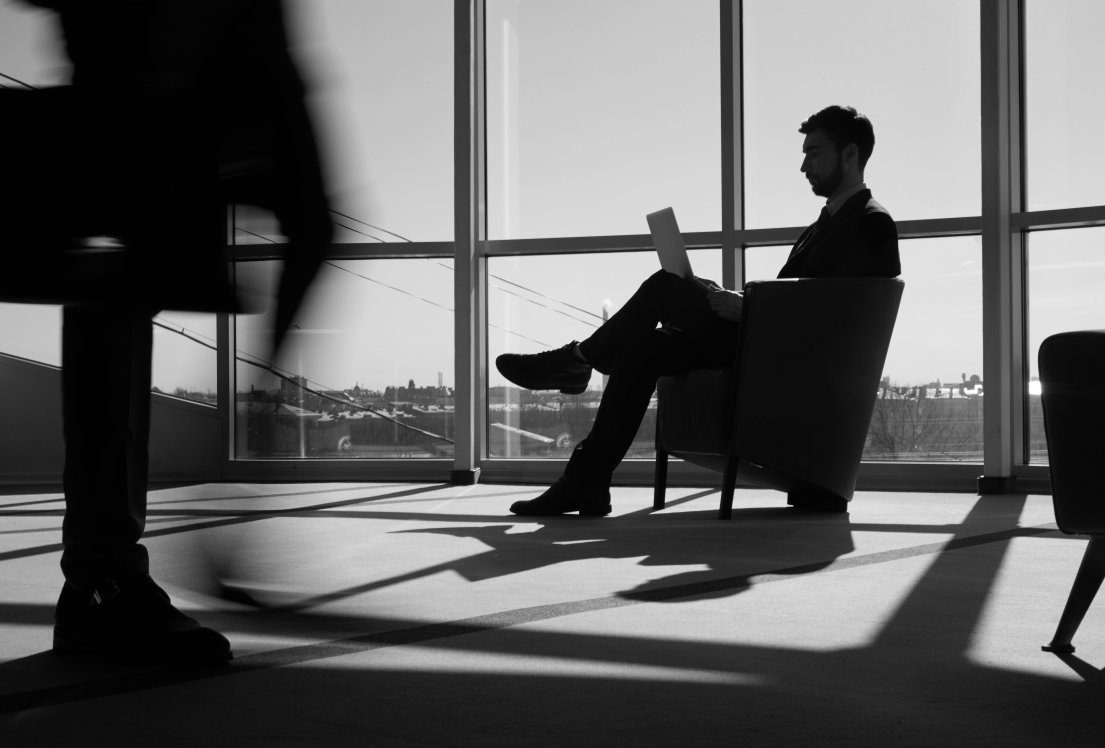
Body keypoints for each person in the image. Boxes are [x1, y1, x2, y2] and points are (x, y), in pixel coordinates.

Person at [4, 1, 331, 665]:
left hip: (171, 74)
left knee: (114, 296)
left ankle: (102, 575)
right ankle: (105, 575)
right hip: (184, 74)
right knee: (118, 292)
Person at [497, 105, 901, 517]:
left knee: (665, 286)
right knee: (641, 350)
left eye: (814, 153)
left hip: (775, 355)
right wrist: (738, 301)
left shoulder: (871, 223)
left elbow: (844, 322)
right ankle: (586, 481)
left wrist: (748, 311)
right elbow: (802, 298)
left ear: (850, 154)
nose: (803, 166)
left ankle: (577, 360)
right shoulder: (829, 223)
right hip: (759, 340)